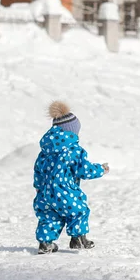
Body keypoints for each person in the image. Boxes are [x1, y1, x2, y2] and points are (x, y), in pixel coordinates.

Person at [32, 101, 109, 254]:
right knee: (78, 211)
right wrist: (101, 169)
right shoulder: (73, 149)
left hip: (45, 192)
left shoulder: (45, 150)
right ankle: (78, 240)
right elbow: (83, 169)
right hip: (65, 189)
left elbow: (38, 171)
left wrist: (39, 188)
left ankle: (45, 244)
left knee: (49, 216)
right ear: (70, 131)